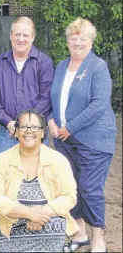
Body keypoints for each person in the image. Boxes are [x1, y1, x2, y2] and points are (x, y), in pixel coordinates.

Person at [48, 18, 117, 253]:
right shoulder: (60, 66)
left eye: (83, 38)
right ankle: (79, 234)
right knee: (71, 187)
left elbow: (99, 104)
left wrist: (70, 127)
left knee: (89, 188)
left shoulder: (97, 66)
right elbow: (54, 100)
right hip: (65, 140)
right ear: (67, 41)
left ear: (91, 41)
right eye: (73, 38)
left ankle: (99, 237)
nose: (77, 42)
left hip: (94, 139)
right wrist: (50, 120)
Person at [0, 109, 79, 252]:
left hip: (49, 226)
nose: (29, 131)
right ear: (16, 131)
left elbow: (69, 196)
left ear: (43, 132)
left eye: (35, 127)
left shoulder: (58, 160)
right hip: (14, 228)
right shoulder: (2, 160)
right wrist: (29, 213)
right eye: (23, 126)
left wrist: (44, 212)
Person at [0, 16, 54, 154]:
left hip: (35, 133)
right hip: (8, 133)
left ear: (33, 37)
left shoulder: (44, 62)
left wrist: (26, 125)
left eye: (25, 35)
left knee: (37, 174)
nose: (21, 39)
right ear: (11, 36)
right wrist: (8, 123)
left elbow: (46, 98)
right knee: (8, 174)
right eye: (17, 34)